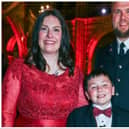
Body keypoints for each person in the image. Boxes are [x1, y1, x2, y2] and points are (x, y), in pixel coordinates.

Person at [2, 9, 88, 127]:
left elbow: (82, 115)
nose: (49, 35)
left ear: (63, 36)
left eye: (56, 30)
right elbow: (6, 114)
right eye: (44, 29)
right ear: (37, 34)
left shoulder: (75, 74)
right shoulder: (19, 68)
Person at [93, 2, 129, 111]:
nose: (123, 18)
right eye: (117, 12)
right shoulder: (101, 53)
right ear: (111, 17)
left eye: (128, 11)